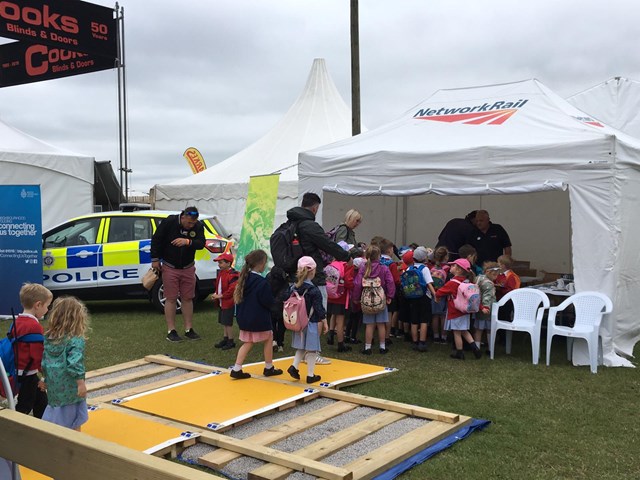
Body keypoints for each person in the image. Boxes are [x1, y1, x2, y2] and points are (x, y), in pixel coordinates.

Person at [285, 193, 350, 364]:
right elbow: (327, 244)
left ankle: (303, 352)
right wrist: (346, 256)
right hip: (313, 277)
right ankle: (312, 352)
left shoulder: (291, 223)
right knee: (317, 315)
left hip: (297, 276)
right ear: (315, 207)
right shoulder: (310, 225)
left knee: (301, 315)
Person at [151, 206, 205, 342]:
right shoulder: (170, 222)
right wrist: (155, 259)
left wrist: (188, 242)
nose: (190, 226)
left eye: (193, 223)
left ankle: (189, 329)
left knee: (188, 297)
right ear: (183, 216)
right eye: (188, 223)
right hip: (170, 266)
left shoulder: (198, 226)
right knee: (171, 298)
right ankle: (171, 330)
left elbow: (201, 243)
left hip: (188, 267)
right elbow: (156, 239)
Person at [230, 250, 283, 380]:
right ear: (261, 264)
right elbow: (267, 301)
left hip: (245, 318)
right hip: (258, 319)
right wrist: (278, 303)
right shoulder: (261, 282)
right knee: (269, 338)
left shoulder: (243, 278)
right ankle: (269, 367)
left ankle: (237, 367)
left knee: (248, 342)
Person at [41, 296, 89, 431]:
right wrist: (81, 384)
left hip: (54, 387)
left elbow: (45, 361)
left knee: (57, 413)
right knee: (74, 418)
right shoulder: (75, 339)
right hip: (70, 387)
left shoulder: (50, 338)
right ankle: (75, 443)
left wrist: (44, 378)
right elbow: (75, 362)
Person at [287, 257, 329, 384]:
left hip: (298, 322)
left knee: (301, 346)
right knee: (311, 349)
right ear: (312, 271)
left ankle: (294, 366)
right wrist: (325, 322)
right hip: (311, 322)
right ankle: (310, 375)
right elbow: (319, 308)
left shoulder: (293, 287)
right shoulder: (314, 290)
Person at [13, 283, 52, 418]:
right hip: (27, 374)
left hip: (20, 370)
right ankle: (14, 429)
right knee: (24, 406)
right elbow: (38, 356)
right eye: (47, 306)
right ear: (38, 305)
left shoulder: (17, 321)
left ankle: (42, 424)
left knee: (41, 402)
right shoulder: (34, 326)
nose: (47, 310)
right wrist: (46, 374)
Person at [436, 258, 482, 360]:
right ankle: (475, 348)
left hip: (455, 311)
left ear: (459, 270)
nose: (451, 267)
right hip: (465, 311)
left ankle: (459, 352)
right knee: (464, 331)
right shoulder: (467, 281)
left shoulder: (453, 283)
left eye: (453, 266)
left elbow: (439, 292)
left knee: (457, 332)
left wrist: (436, 292)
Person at [352, 245, 395, 355]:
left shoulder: (363, 268)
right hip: (381, 299)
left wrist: (356, 298)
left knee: (369, 325)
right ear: (379, 256)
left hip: (367, 300)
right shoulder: (384, 268)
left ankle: (367, 347)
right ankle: (382, 346)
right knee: (381, 324)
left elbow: (357, 284)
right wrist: (390, 296)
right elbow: (390, 282)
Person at [404, 246, 437, 352]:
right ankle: (422, 342)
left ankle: (415, 341)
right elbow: (429, 283)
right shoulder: (425, 269)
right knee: (424, 320)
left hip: (412, 296)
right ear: (425, 258)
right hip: (424, 297)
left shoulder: (409, 268)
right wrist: (435, 295)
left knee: (414, 320)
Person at [326, 242, 355, 353]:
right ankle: (340, 344)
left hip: (331, 295)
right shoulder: (346, 265)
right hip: (341, 296)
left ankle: (330, 334)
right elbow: (348, 282)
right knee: (340, 320)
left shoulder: (332, 264)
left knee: (333, 315)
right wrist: (353, 286)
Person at [212, 253, 238, 351]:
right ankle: (225, 338)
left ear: (228, 263)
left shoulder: (232, 275)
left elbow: (232, 289)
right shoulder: (221, 273)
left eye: (221, 263)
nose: (219, 265)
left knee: (228, 323)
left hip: (228, 302)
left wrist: (221, 296)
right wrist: (216, 294)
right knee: (224, 322)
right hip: (222, 302)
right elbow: (218, 285)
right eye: (219, 263)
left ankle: (230, 340)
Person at [474, 262, 501, 355]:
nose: (496, 277)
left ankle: (476, 348)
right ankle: (490, 349)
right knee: (489, 329)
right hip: (488, 310)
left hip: (478, 307)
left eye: (497, 275)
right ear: (488, 272)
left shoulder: (478, 278)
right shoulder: (489, 284)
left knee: (478, 329)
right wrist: (486, 307)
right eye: (494, 274)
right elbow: (487, 296)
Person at [430, 246, 450, 344]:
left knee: (435, 316)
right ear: (446, 257)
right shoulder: (448, 269)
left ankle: (435, 336)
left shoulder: (432, 269)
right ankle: (444, 336)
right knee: (443, 316)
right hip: (444, 295)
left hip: (434, 293)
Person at [495, 255, 522, 322]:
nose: (496, 264)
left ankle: (504, 332)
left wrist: (500, 289)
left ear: (502, 265)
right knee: (498, 317)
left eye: (498, 262)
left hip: (507, 301)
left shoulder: (511, 276)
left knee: (505, 318)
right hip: (499, 299)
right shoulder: (499, 274)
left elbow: (511, 290)